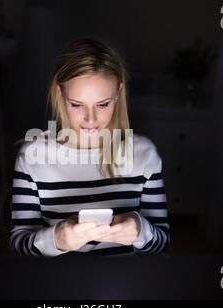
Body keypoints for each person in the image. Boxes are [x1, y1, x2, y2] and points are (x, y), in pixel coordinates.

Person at [9, 38, 169, 257]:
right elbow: (19, 244)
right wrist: (56, 239)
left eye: (103, 104)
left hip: (127, 284)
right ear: (60, 93)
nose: (90, 119)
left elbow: (162, 243)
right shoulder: (32, 157)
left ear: (118, 92)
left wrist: (140, 230)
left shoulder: (144, 154)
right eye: (76, 104)